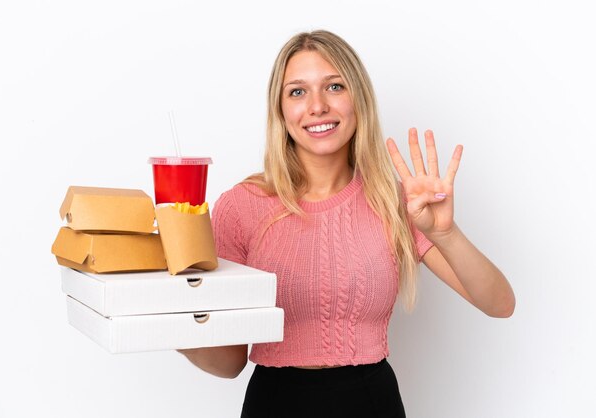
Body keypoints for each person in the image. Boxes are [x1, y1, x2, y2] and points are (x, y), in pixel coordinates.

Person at [178, 29, 515, 417]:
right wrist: (168, 325)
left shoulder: (397, 202)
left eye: (334, 86)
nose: (317, 106)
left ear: (359, 99)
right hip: (274, 404)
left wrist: (445, 233)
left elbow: (500, 304)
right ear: (280, 110)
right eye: (298, 92)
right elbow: (229, 362)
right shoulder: (241, 207)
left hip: (370, 403)